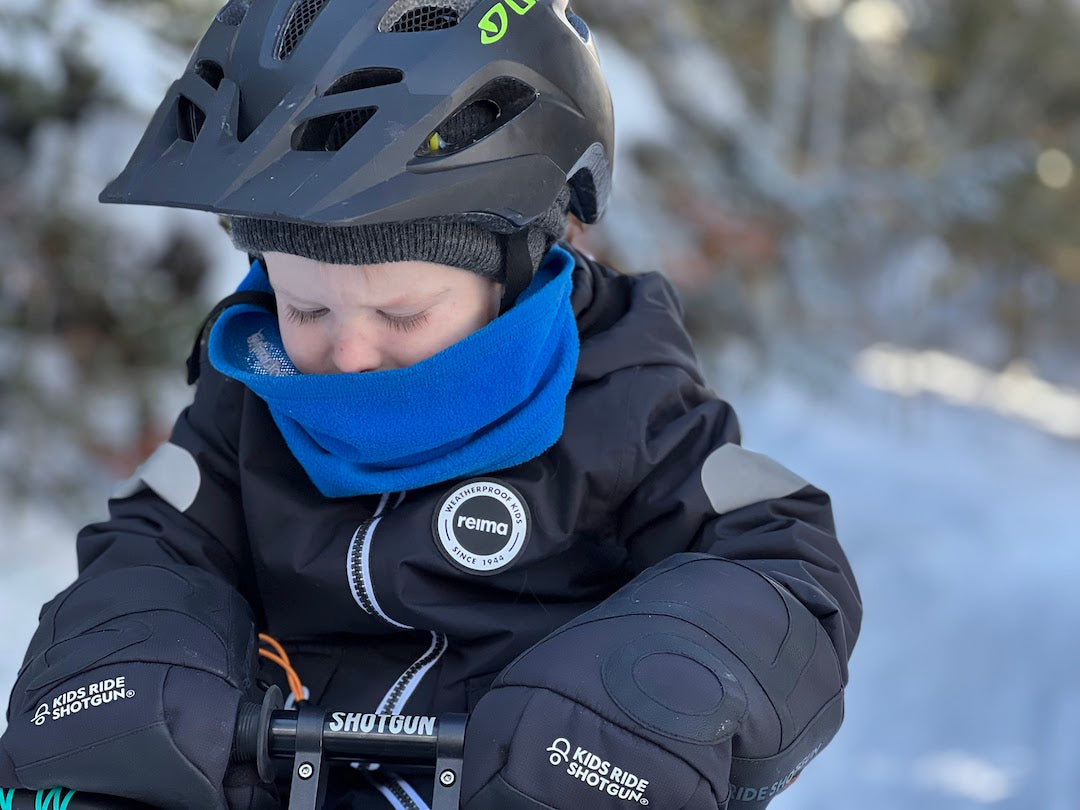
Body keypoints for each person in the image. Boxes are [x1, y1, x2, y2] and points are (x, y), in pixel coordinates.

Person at [0, 1, 861, 808]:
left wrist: (634, 696)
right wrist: (136, 676)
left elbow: (784, 570)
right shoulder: (252, 397)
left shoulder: (622, 399)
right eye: (304, 306)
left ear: (521, 261)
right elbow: (151, 554)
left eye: (402, 312)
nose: (347, 353)